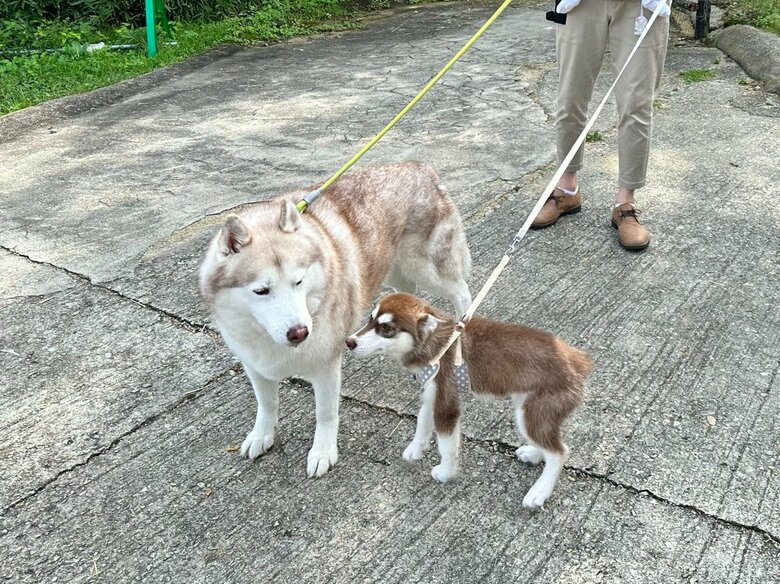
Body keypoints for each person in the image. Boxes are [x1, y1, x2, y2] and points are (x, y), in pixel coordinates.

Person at [533, 0, 671, 251]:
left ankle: (624, 204)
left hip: (642, 6)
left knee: (635, 106)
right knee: (569, 99)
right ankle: (566, 189)